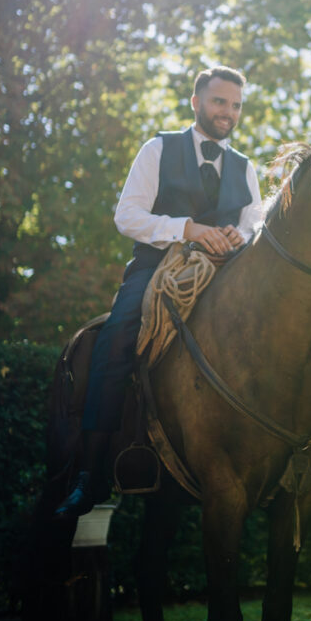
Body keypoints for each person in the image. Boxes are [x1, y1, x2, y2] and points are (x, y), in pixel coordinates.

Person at [55, 64, 264, 518]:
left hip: (222, 276)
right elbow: (126, 216)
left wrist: (236, 238)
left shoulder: (247, 169)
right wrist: (186, 228)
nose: (227, 112)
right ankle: (90, 476)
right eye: (218, 101)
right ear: (196, 102)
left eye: (235, 105)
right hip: (154, 270)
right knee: (114, 342)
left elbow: (254, 228)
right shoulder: (158, 148)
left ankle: (297, 452)